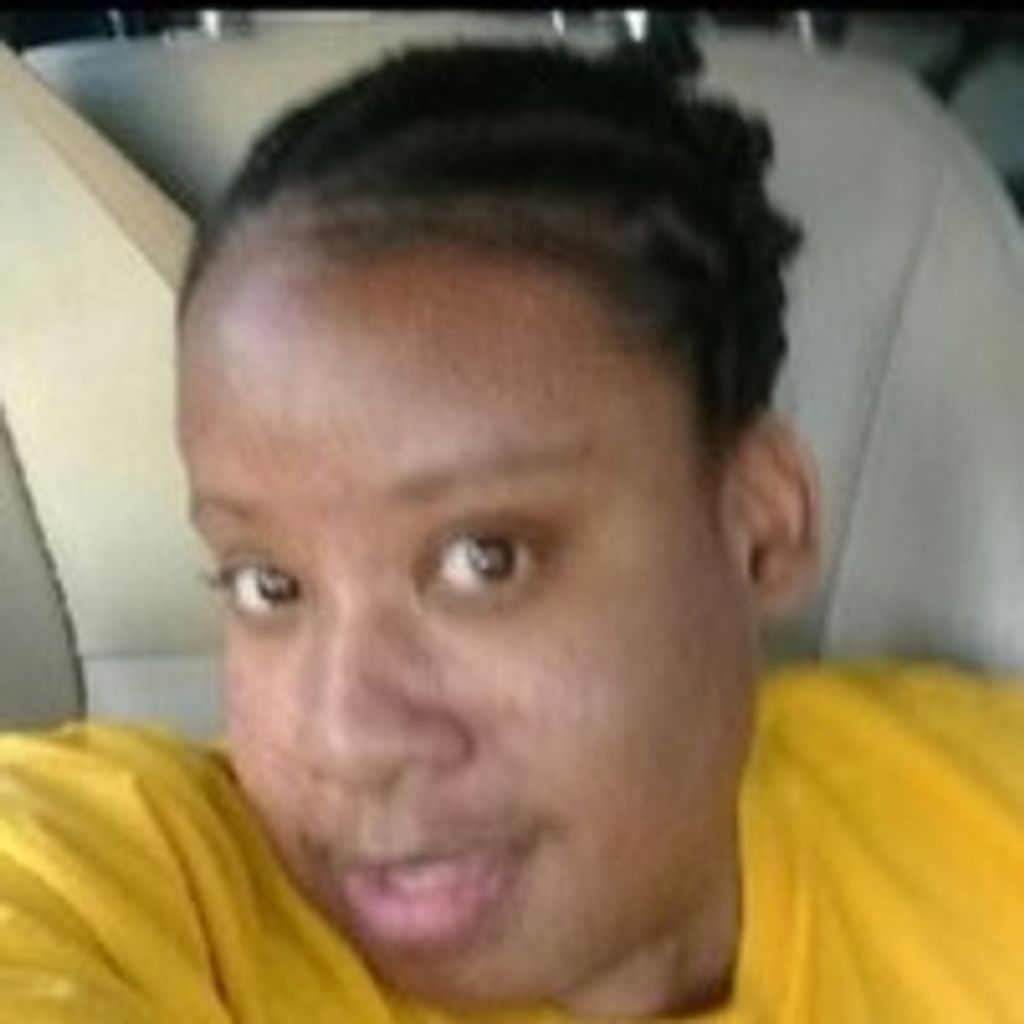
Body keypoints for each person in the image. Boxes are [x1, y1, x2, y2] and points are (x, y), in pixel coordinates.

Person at [1, 37, 1023, 1024]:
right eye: (268, 584)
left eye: (483, 559)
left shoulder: (978, 810)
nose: (347, 740)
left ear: (760, 524)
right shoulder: (147, 893)